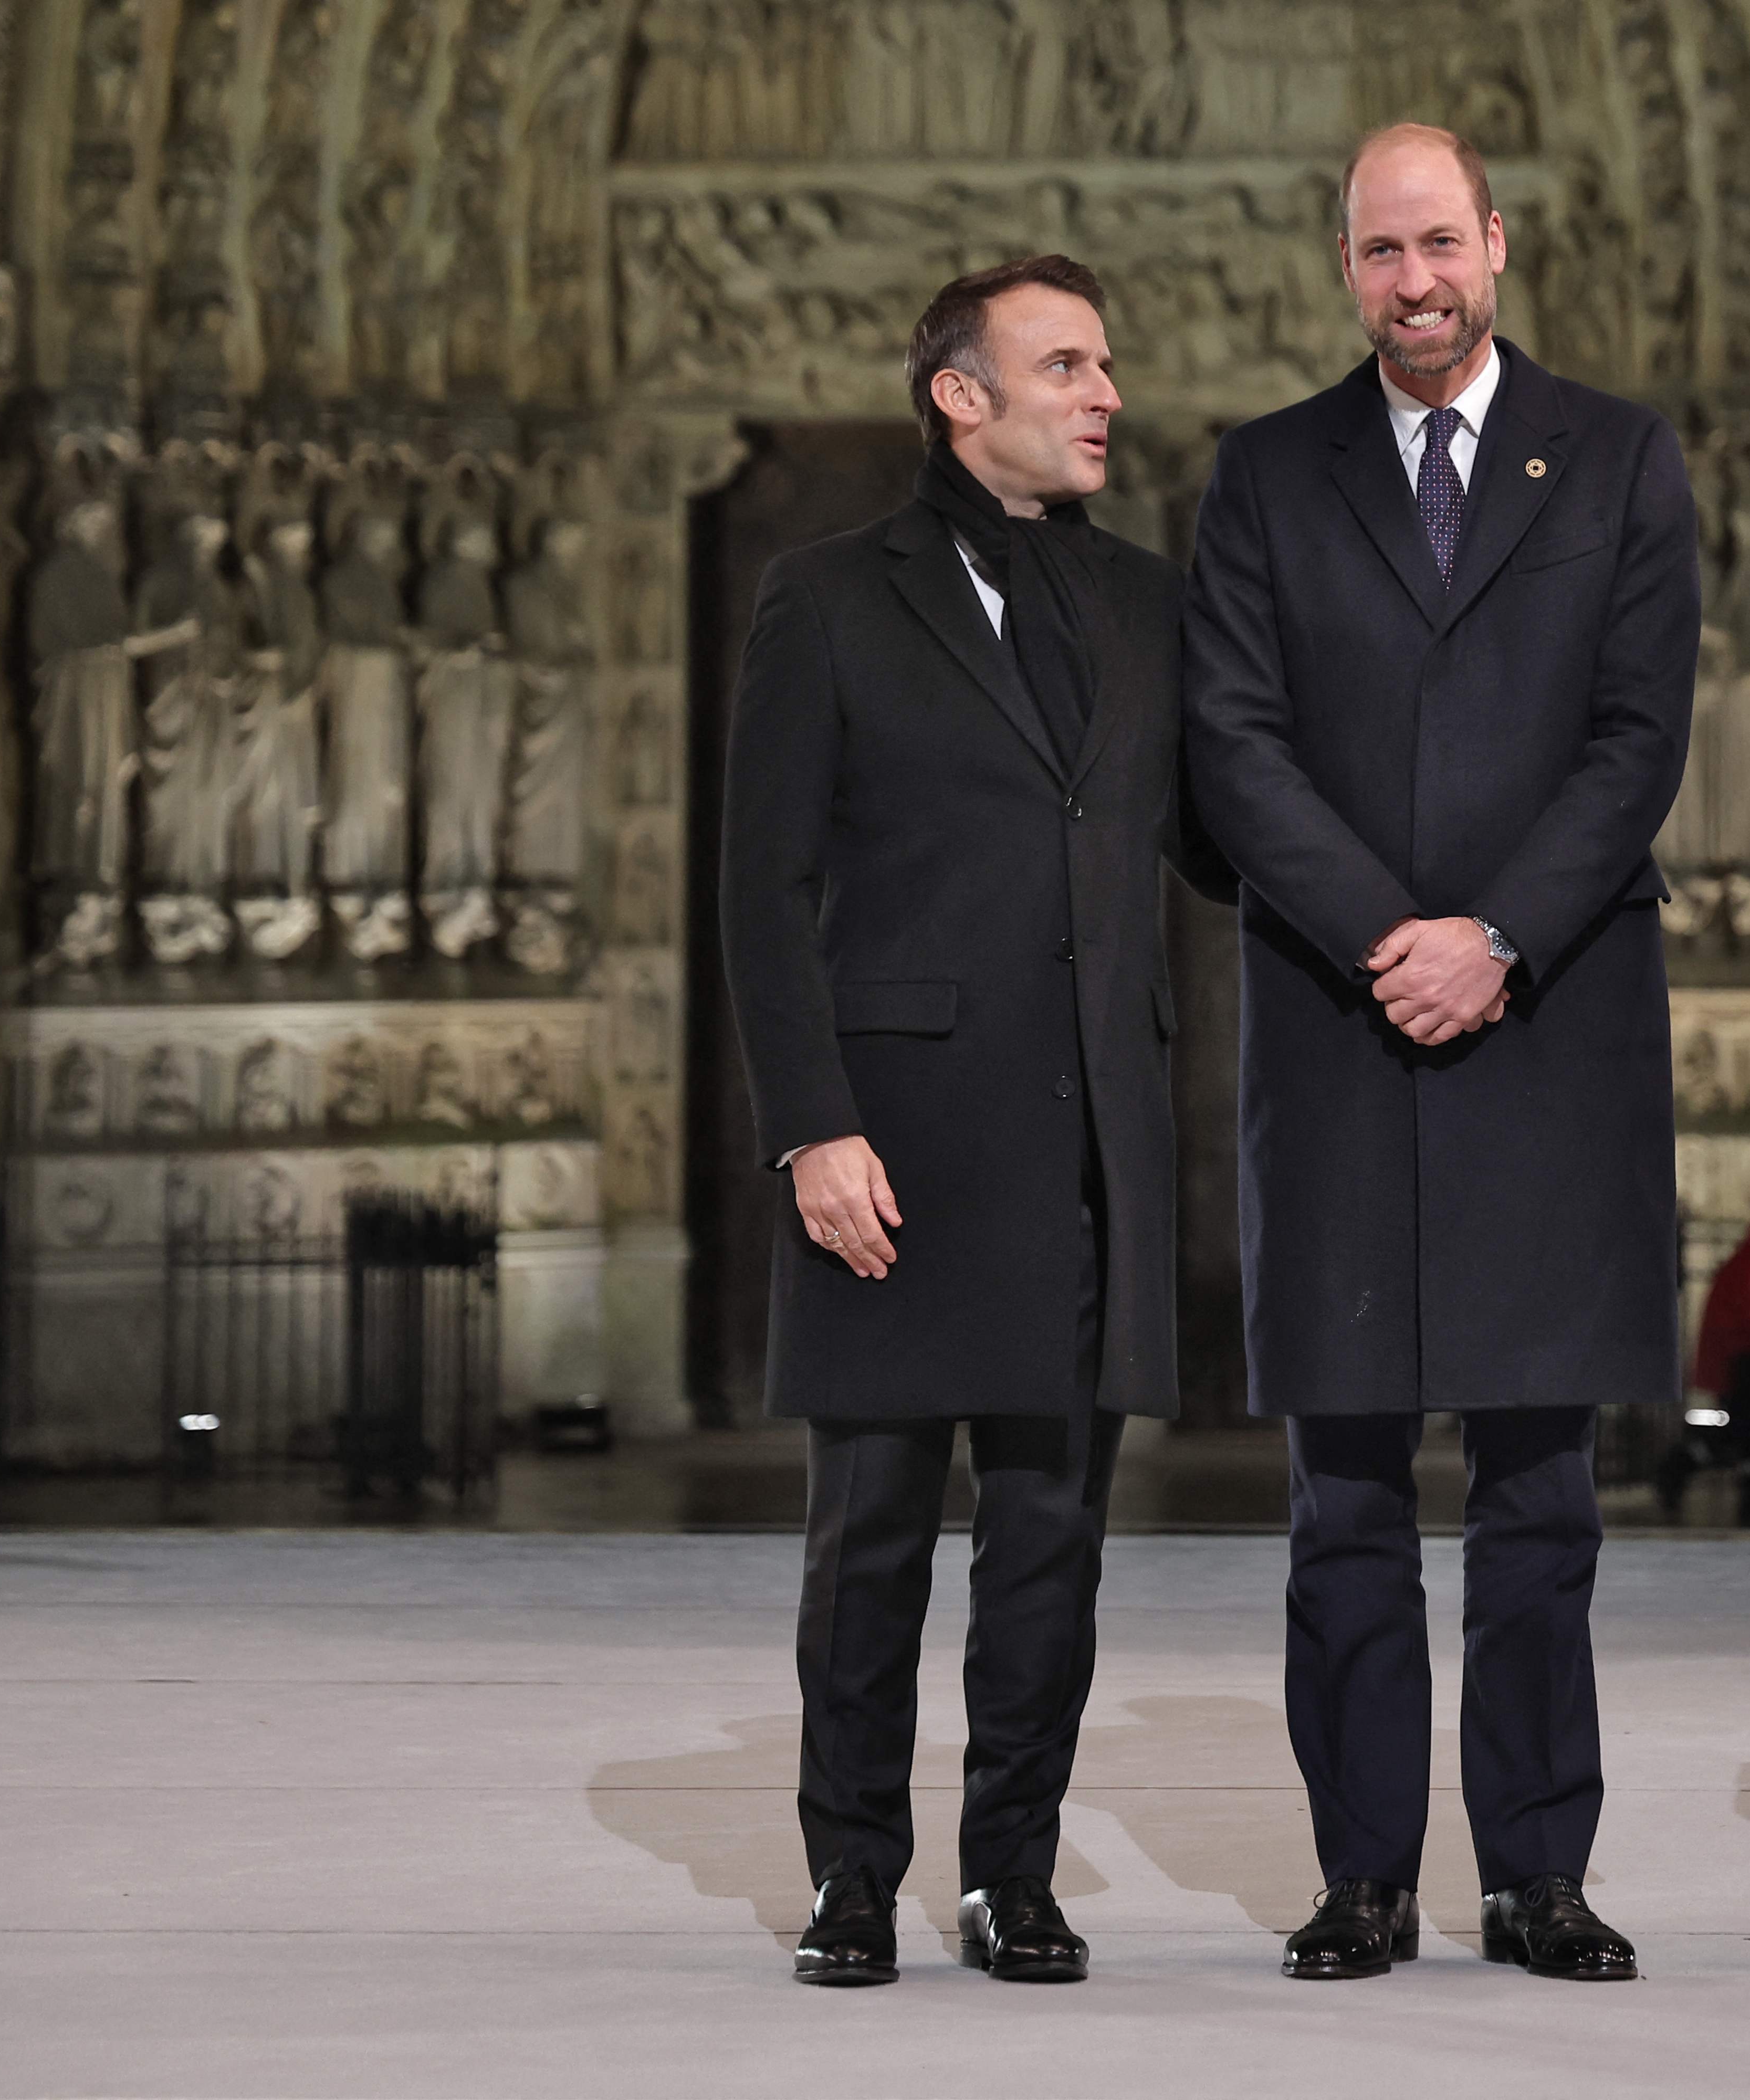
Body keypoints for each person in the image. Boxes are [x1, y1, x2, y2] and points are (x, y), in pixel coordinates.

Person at [1183, 122, 1696, 1985]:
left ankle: (1540, 1878)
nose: (1416, 279)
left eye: (1441, 243)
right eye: (1381, 251)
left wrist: (1496, 939)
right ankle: (1366, 1879)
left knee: (1545, 1500)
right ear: (1346, 266)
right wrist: (1388, 940)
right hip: (1341, 1032)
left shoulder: (1624, 459)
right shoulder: (1260, 477)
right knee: (1342, 1505)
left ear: (1498, 240)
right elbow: (1231, 741)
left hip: (1546, 1031)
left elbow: (1638, 740)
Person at [720, 255, 1231, 1990]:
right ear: (961, 392)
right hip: (895, 1146)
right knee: (869, 1543)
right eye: (1066, 363)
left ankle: (1015, 1871)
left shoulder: (1153, 605)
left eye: (1107, 361)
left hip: (1086, 1146)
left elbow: (1226, 842)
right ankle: (852, 1874)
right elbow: (760, 888)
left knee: (1050, 1549)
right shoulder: (829, 596)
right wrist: (811, 1128)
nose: (1104, 393)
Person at [1662, 1206, 1750, 1528]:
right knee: (1744, 1434)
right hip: (1743, 1364)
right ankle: (1682, 1467)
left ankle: (1741, 1496)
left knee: (1747, 1435)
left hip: (1745, 1362)